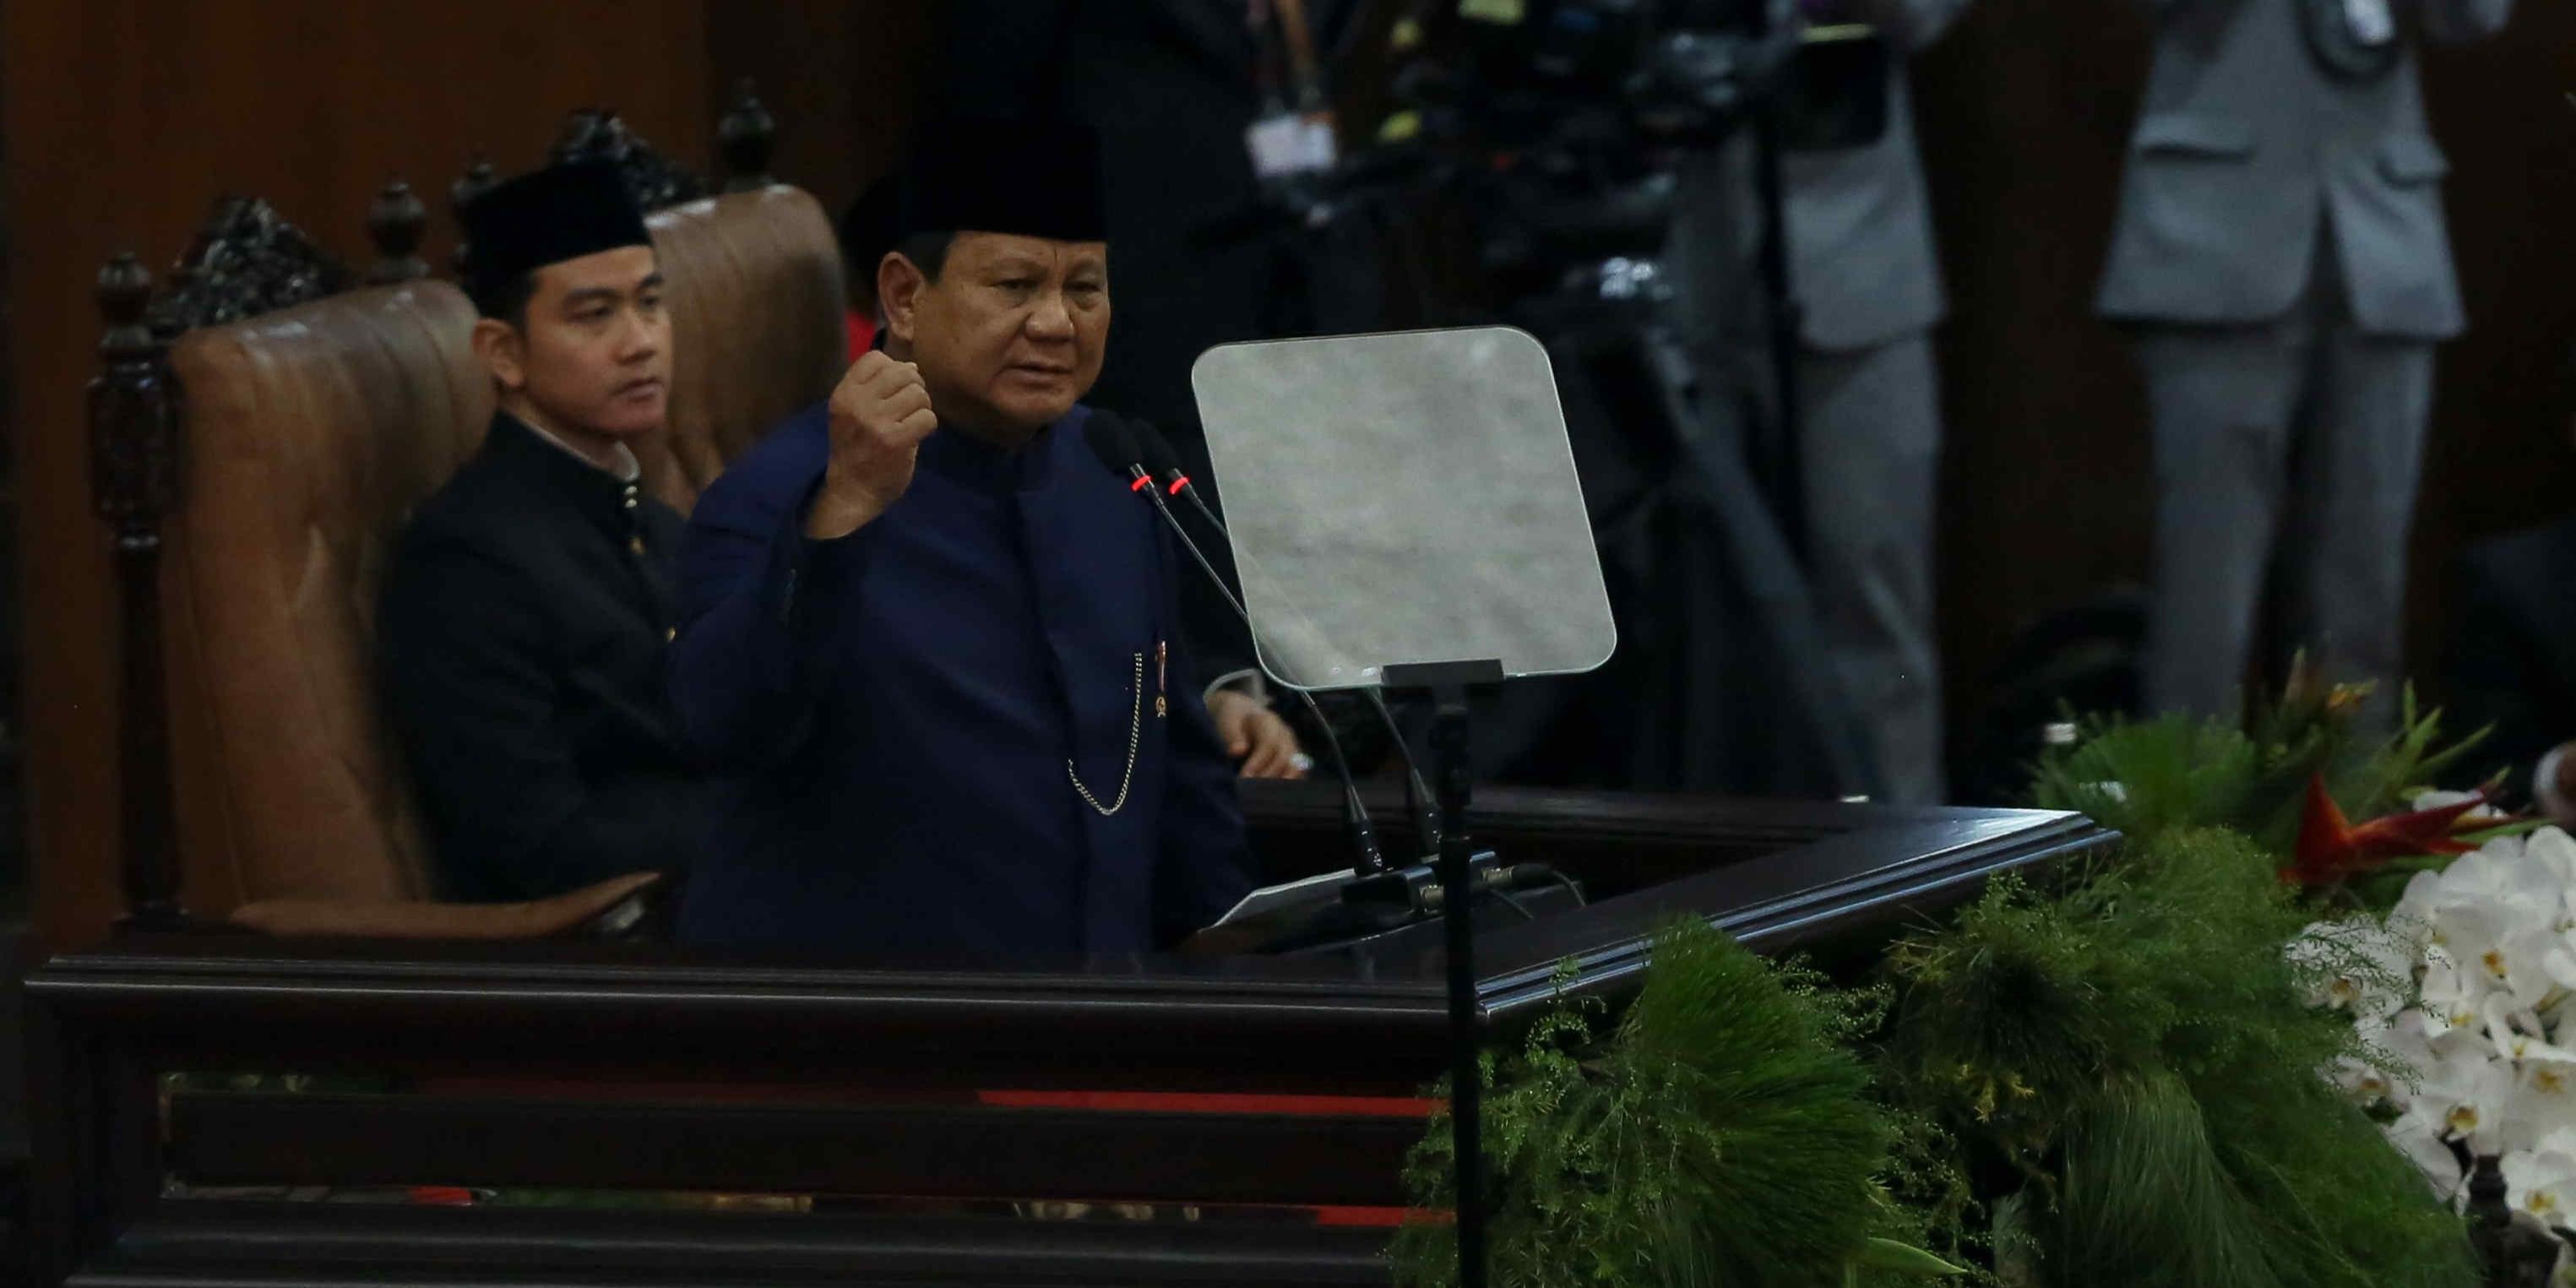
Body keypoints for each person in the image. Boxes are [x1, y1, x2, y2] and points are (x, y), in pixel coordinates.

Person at [668, 118, 1255, 954]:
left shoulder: (1113, 473)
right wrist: (839, 518)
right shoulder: (780, 493)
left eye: (1084, 289)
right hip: (889, 1038)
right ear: (905, 296)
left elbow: (1179, 771)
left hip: (1111, 1026)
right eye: (1015, 286)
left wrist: (1242, 962)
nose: (1056, 323)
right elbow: (721, 728)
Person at [2098, 0, 2512, 721]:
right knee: (2206, 603)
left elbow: (2472, 17)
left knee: (2362, 599)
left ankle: (2350, 823)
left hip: (2383, 239)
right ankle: (2187, 831)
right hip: (2213, 234)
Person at [379, 161, 720, 900]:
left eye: (652, 303)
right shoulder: (467, 560)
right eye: (595, 315)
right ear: (503, 353)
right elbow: (539, 841)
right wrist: (771, 826)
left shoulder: (651, 521)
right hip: (613, 963)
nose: (641, 343)